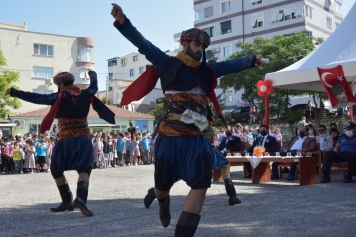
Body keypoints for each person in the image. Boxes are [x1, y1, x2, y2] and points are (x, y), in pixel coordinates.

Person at [110, 3, 262, 235]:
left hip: (197, 138)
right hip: (169, 137)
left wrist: (253, 60)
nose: (200, 49)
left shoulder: (207, 71)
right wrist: (123, 22)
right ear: (184, 43)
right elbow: (144, 44)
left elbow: (231, 66)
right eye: (196, 44)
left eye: (203, 45)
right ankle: (162, 199)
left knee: (201, 184)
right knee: (162, 188)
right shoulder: (167, 63)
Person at [6, 70, 115, 217]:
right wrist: (93, 75)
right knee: (84, 169)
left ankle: (67, 200)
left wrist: (14, 92)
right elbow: (94, 87)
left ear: (62, 84)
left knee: (57, 170)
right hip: (83, 138)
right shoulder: (85, 94)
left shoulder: (60, 96)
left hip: (65, 140)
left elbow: (37, 98)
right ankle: (81, 199)